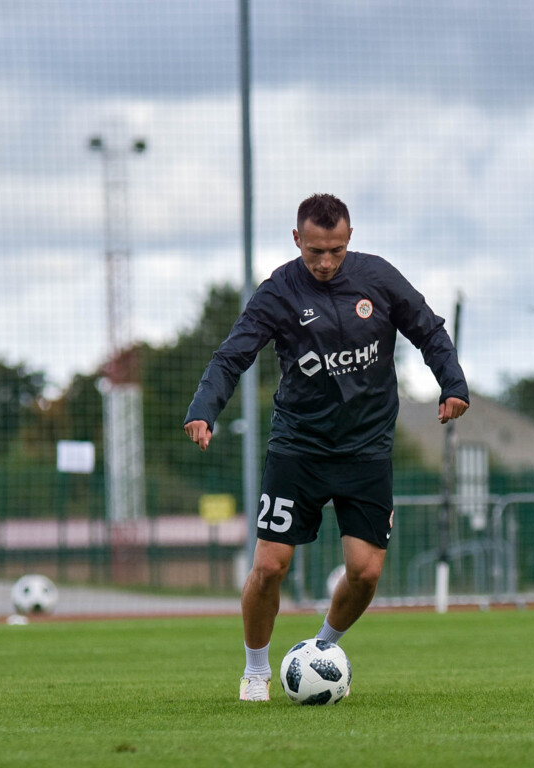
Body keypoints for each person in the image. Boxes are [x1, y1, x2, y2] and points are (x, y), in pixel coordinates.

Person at [184, 193, 469, 701]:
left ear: (349, 239)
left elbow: (429, 330)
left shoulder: (378, 278)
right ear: (297, 240)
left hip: (366, 450)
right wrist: (204, 408)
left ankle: (320, 651)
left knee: (365, 573)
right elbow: (232, 357)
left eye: (335, 250)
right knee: (270, 565)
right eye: (315, 250)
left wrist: (452, 384)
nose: (325, 261)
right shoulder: (279, 292)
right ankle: (255, 670)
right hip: (299, 448)